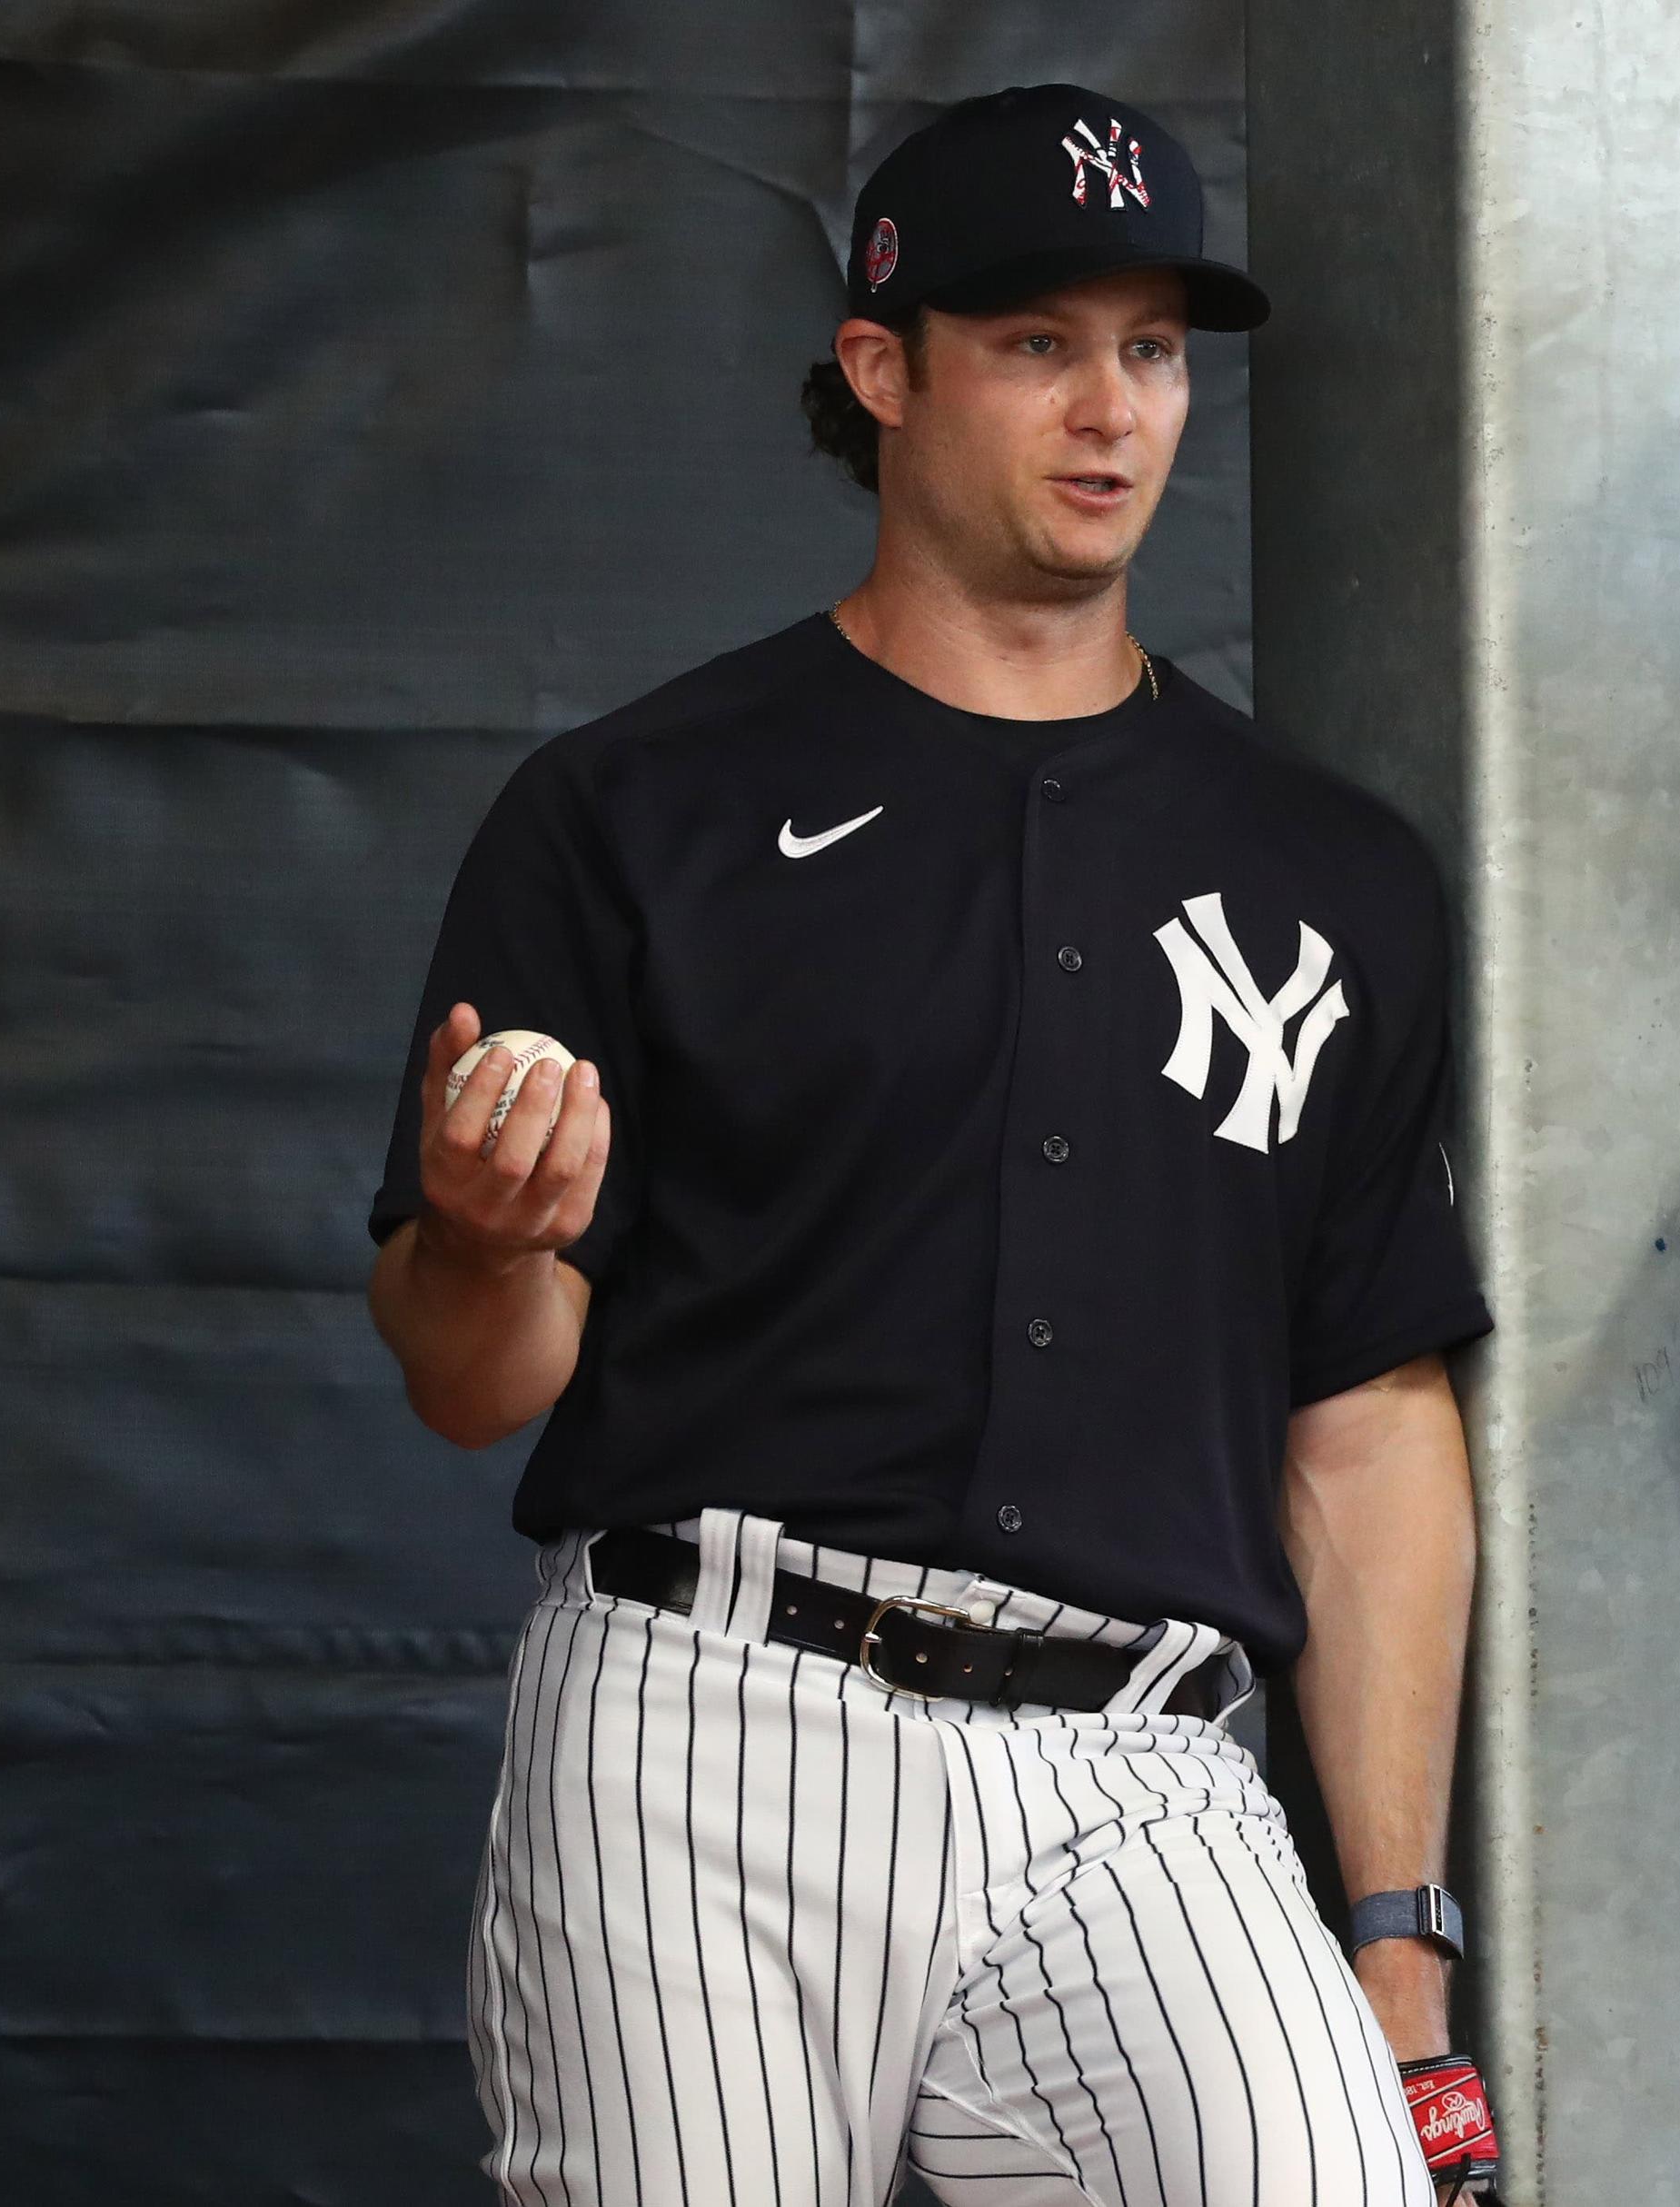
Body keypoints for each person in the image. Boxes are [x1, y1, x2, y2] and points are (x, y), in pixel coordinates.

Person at [367, 83, 1503, 2207]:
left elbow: (1366, 1411)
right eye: (1037, 343)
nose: (1112, 410)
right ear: (881, 370)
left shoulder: (1332, 867)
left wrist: (1395, 1942)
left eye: (1154, 348)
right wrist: (483, 1241)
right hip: (712, 1712)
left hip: (1144, 1763)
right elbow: (467, 1381)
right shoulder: (639, 810)